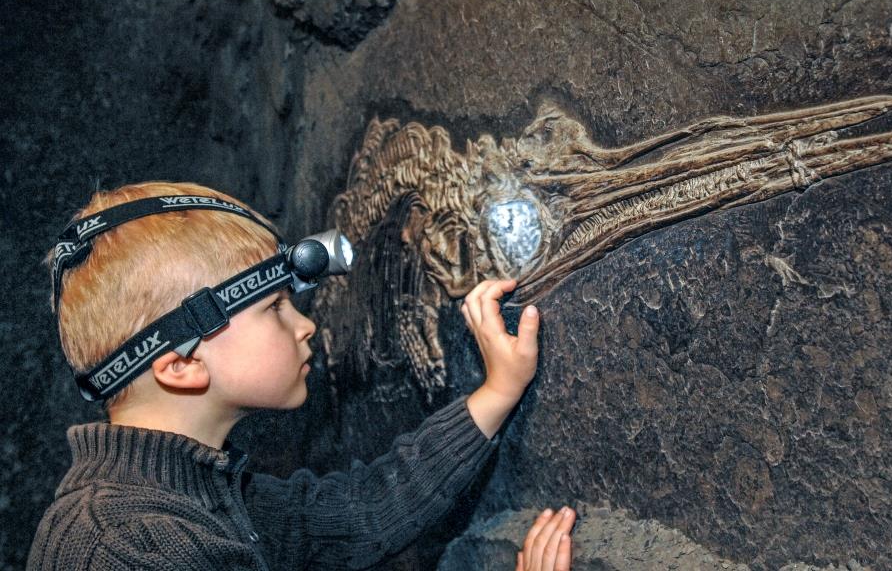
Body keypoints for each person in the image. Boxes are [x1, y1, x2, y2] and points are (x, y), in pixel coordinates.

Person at [27, 181, 576, 570]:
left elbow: (360, 513)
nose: (305, 326)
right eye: (275, 308)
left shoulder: (196, 493)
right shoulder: (127, 549)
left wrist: (498, 391)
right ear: (182, 364)